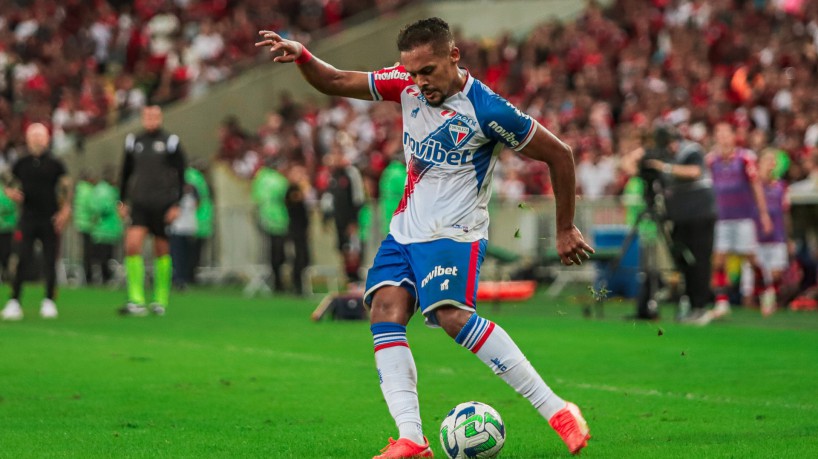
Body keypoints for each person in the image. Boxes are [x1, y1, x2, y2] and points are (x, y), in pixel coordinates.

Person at [257, 17, 594, 457]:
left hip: (455, 233)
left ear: (453, 56)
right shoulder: (406, 84)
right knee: (385, 309)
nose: (418, 82)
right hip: (406, 230)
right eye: (411, 72)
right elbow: (336, 79)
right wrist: (303, 56)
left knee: (453, 317)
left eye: (427, 71)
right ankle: (412, 438)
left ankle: (557, 410)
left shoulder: (488, 110)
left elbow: (559, 154)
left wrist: (565, 226)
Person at [641, 126, 717, 323]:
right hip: (679, 216)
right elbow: (630, 163)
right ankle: (689, 303)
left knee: (699, 260)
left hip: (699, 214)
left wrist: (663, 167)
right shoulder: (663, 155)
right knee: (683, 260)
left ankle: (700, 306)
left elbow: (695, 172)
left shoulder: (691, 150)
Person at [118, 105, 186, 316]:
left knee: (161, 249)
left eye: (154, 115)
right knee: (132, 245)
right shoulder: (134, 142)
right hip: (139, 202)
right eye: (147, 115)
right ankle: (136, 299)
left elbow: (182, 174)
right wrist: (121, 201)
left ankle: (160, 299)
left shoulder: (171, 142)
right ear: (142, 117)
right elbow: (125, 173)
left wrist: (177, 204)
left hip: (163, 203)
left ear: (160, 117)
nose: (150, 119)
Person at [700, 122, 771, 324]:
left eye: (725, 133)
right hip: (722, 219)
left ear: (733, 137)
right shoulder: (711, 161)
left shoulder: (745, 158)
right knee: (718, 260)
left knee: (750, 258)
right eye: (718, 134)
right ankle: (722, 303)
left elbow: (756, 185)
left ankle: (765, 291)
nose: (722, 138)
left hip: (743, 218)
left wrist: (763, 214)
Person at [1, 124, 72, 321]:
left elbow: (66, 186)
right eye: (33, 135)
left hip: (50, 218)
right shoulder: (21, 162)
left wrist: (65, 210)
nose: (37, 139)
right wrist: (10, 192)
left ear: (47, 138)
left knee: (50, 260)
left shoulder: (55, 163)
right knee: (22, 258)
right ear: (27, 138)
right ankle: (14, 301)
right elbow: (7, 178)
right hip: (28, 218)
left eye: (41, 136)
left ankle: (49, 300)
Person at [755, 148, 790, 316]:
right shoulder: (753, 186)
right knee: (759, 272)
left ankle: (770, 298)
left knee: (776, 273)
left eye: (773, 160)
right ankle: (762, 298)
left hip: (777, 236)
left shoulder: (782, 186)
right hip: (757, 237)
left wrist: (788, 238)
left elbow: (785, 213)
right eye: (767, 160)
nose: (771, 164)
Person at [251, 158, 290, 292]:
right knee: (279, 251)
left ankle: (273, 279)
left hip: (263, 216)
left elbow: (256, 197)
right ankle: (279, 281)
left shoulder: (260, 178)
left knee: (270, 250)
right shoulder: (280, 180)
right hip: (279, 218)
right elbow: (286, 196)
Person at [89, 167, 123, 284]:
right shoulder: (110, 191)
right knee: (107, 256)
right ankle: (106, 278)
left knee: (99, 256)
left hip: (97, 228)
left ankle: (99, 277)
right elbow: (108, 208)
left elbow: (93, 207)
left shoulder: (96, 189)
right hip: (109, 229)